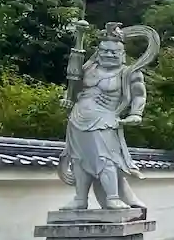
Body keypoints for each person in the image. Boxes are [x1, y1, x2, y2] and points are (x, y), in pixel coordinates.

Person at [59, 22, 158, 211]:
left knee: (107, 160)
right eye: (104, 51)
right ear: (98, 52)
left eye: (114, 52)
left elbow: (139, 95)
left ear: (122, 54)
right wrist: (67, 99)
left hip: (105, 120)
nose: (109, 55)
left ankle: (113, 197)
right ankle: (80, 198)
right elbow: (74, 87)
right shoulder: (89, 68)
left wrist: (136, 113)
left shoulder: (128, 73)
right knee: (79, 160)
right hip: (78, 118)